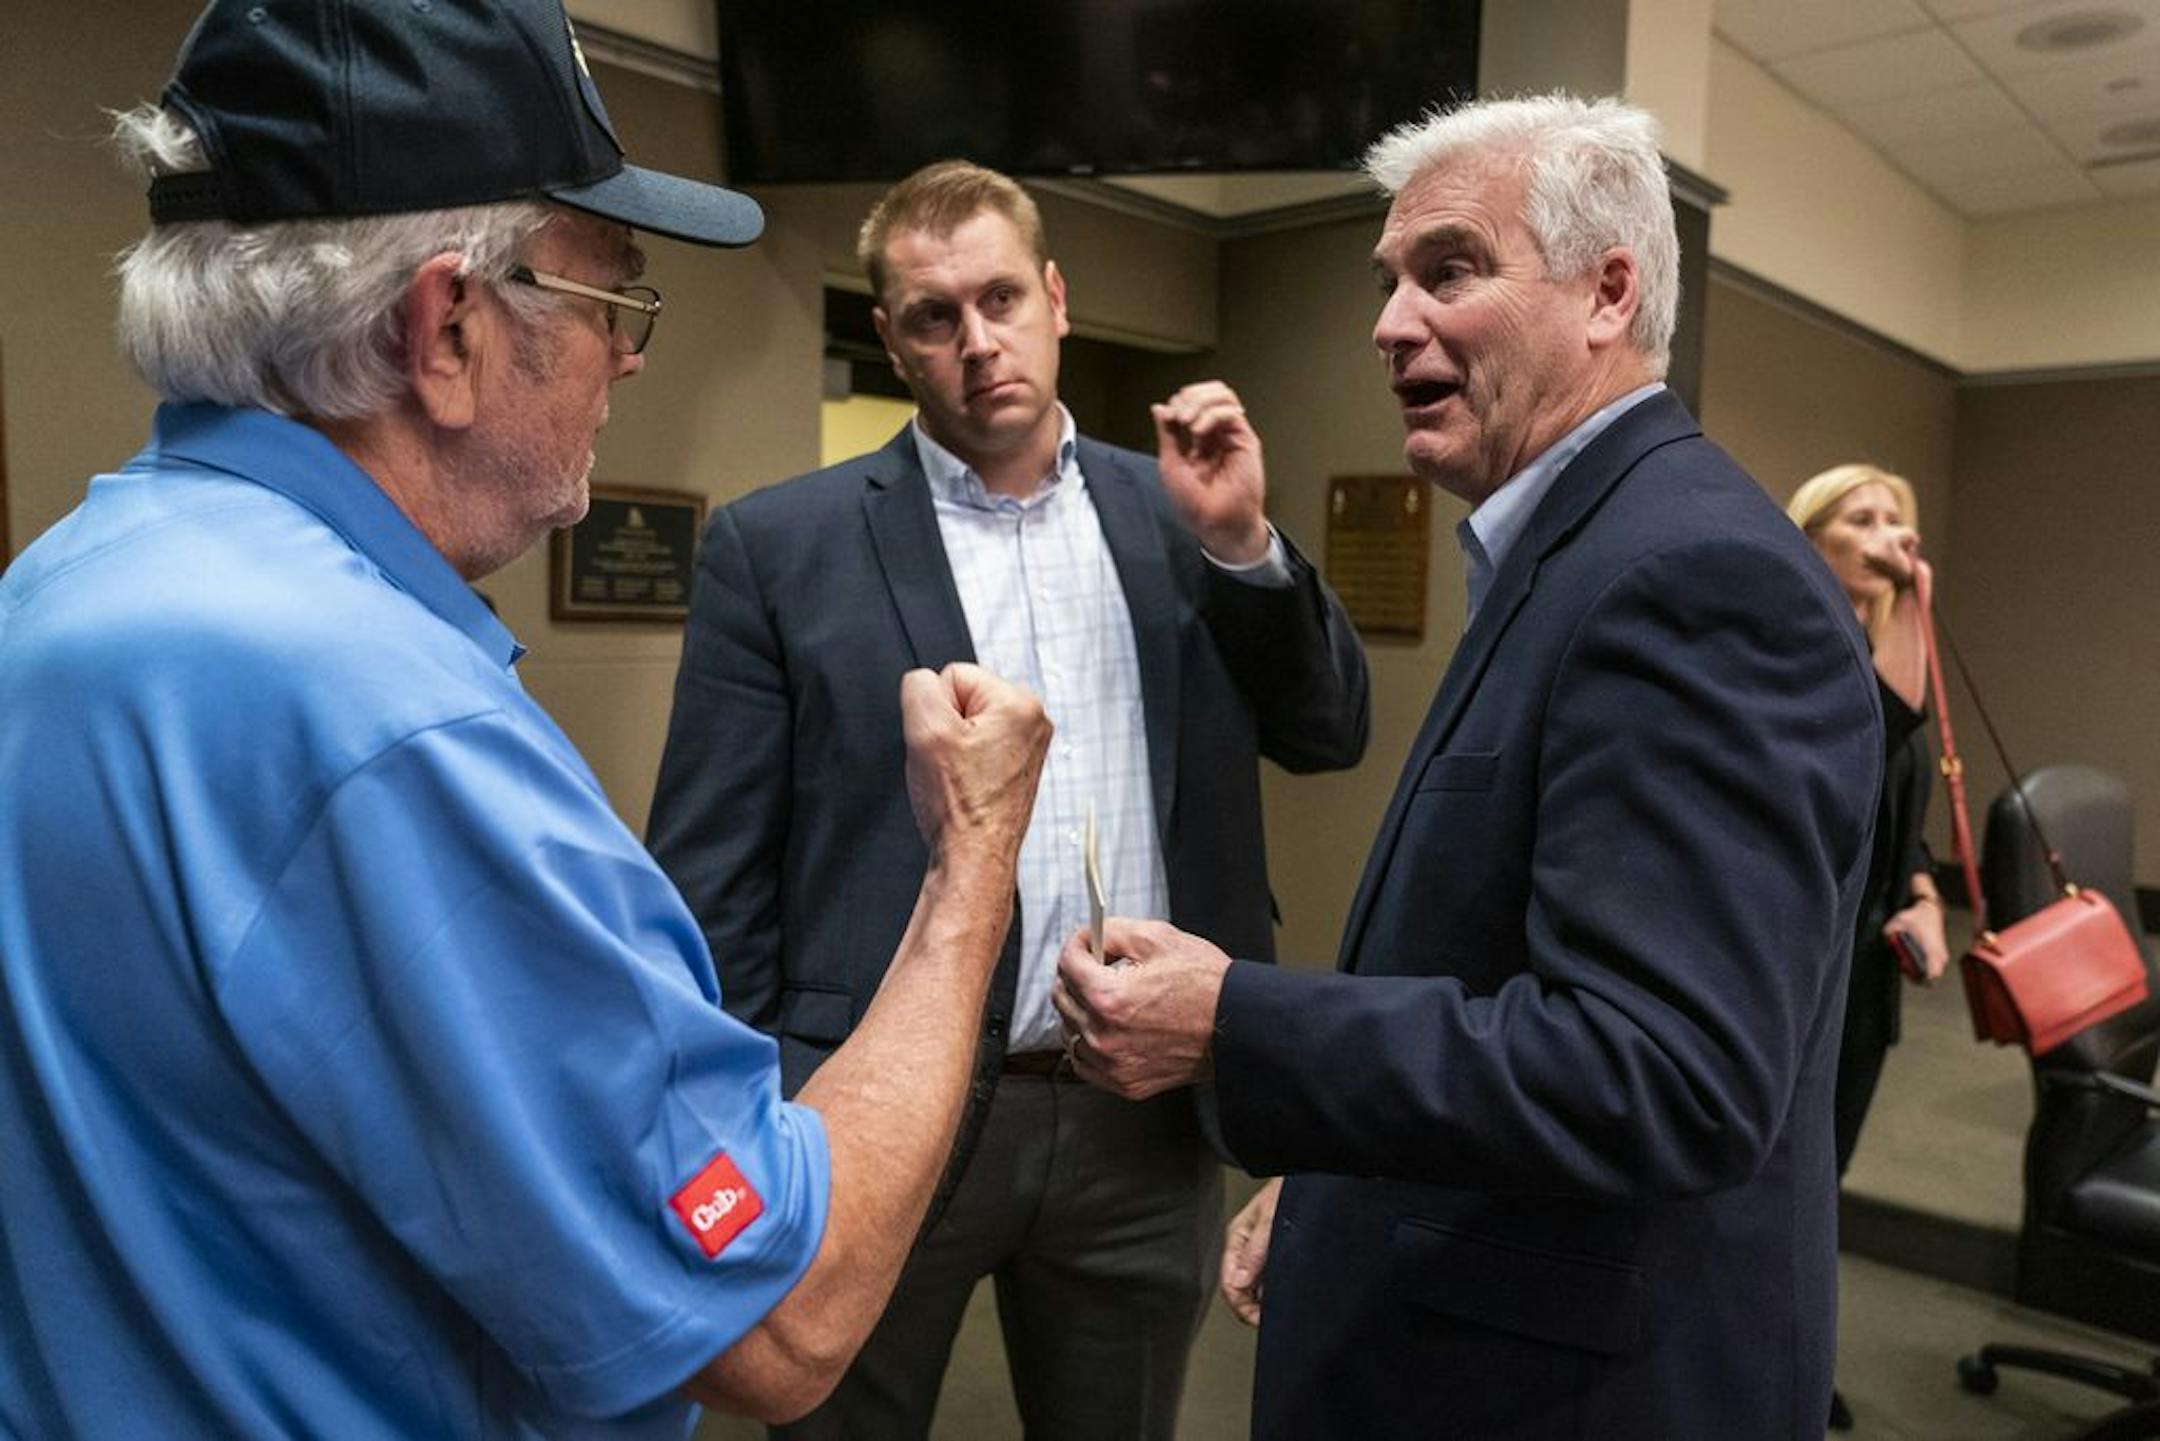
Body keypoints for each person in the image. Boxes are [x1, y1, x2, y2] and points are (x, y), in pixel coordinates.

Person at [0, 4, 1053, 1438]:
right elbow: (779, 1316)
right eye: (610, 298)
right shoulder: (380, 721)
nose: (627, 356)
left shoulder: (68, 585)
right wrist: (973, 859)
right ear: (447, 328)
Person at [1053, 95, 1884, 1439]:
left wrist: (1235, 1021)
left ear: (1609, 291)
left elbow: (1662, 1073)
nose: (1391, 324)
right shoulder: (1576, 548)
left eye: (1450, 270)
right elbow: (1498, 970)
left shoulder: (1693, 575)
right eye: (1389, 282)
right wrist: (1335, 1175)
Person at [646, 159, 1370, 1438]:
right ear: (892, 340)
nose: (978, 342)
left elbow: (1329, 732)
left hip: (1142, 1111)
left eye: (1000, 299)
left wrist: (1243, 545)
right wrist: (753, 1119)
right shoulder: (781, 545)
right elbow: (714, 877)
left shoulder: (1181, 510)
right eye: (935, 316)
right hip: (881, 1118)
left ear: (1056, 298)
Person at [1788, 462, 1946, 1430]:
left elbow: (1900, 806)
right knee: (1784, 1185)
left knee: (1826, 1180)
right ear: (1812, 536)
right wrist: (1917, 598)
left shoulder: (1893, 650)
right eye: (1863, 517)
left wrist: (1923, 894)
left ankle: (1797, 1360)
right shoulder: (1802, 647)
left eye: (1899, 517)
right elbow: (1878, 727)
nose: (1891, 534)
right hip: (1809, 968)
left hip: (1871, 969)